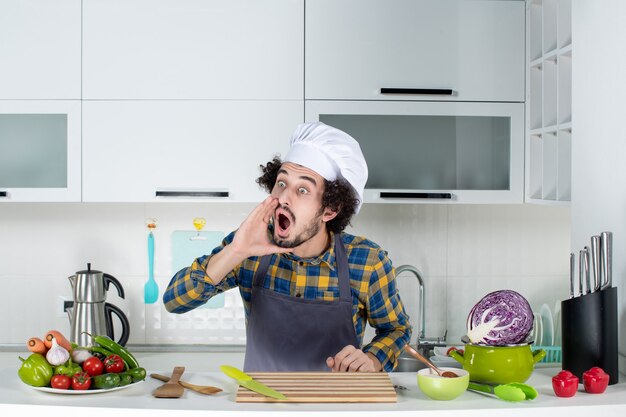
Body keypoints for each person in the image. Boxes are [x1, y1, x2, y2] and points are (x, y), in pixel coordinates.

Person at [163, 122, 412, 372]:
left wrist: (371, 359)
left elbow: (396, 329)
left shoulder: (367, 261)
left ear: (330, 209)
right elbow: (174, 301)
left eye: (302, 189)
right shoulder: (248, 248)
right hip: (262, 404)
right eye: (281, 183)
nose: (283, 198)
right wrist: (235, 251)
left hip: (335, 406)